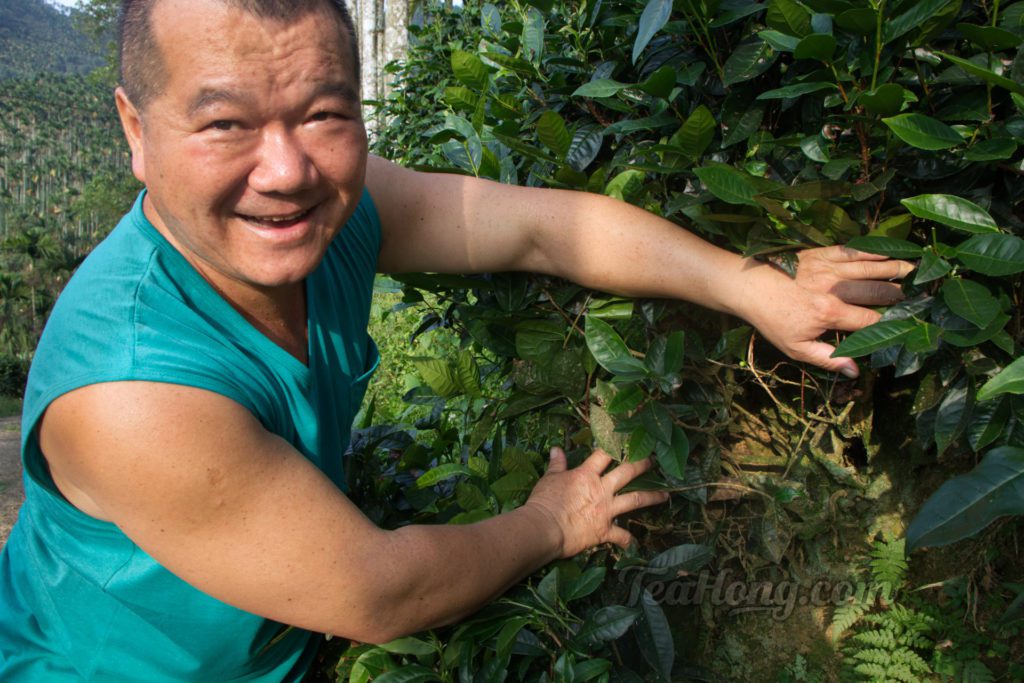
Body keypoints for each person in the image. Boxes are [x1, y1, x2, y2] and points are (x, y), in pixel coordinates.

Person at [0, 0, 914, 679]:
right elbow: (376, 591)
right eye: (225, 124)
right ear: (135, 129)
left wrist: (754, 286)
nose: (285, 171)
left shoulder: (336, 212)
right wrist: (551, 522)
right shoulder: (130, 394)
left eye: (324, 113)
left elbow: (541, 228)